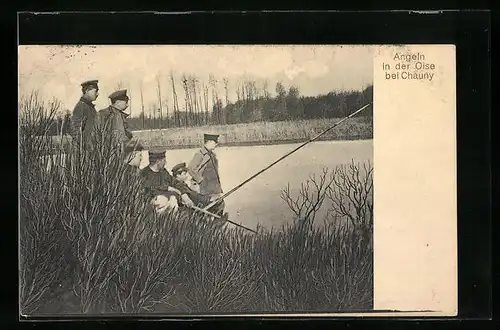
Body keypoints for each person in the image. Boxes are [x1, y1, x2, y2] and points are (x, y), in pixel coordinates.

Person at [95, 89, 143, 158]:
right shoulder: (109, 115)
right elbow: (120, 136)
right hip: (111, 154)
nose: (127, 105)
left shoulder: (118, 114)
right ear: (117, 102)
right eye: (125, 102)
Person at [139, 149, 181, 214]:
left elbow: (175, 182)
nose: (165, 162)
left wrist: (184, 193)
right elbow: (149, 189)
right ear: (158, 161)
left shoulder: (164, 172)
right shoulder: (144, 174)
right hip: (153, 207)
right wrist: (167, 188)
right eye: (164, 160)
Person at [187, 133, 223, 201]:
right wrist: (200, 180)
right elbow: (190, 168)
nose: (216, 144)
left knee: (217, 204)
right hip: (203, 189)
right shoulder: (200, 154)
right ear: (209, 142)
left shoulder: (212, 155)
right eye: (215, 142)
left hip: (213, 188)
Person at [70, 79, 99, 145]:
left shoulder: (89, 107)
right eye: (95, 91)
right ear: (87, 91)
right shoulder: (81, 106)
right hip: (86, 150)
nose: (97, 94)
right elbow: (76, 131)